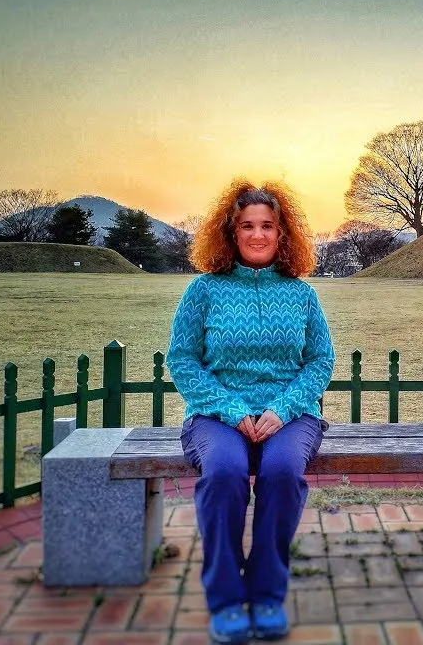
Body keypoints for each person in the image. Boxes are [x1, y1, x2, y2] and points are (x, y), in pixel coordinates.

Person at [167, 178, 336, 644]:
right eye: (247, 225)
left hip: (290, 416)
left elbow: (320, 360)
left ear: (283, 233)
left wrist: (282, 410)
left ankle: (266, 593)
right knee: (224, 475)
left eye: (268, 225)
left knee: (282, 474)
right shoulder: (204, 291)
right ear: (231, 232)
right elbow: (181, 359)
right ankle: (225, 598)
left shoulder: (302, 294)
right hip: (216, 416)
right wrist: (230, 408)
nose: (258, 234)